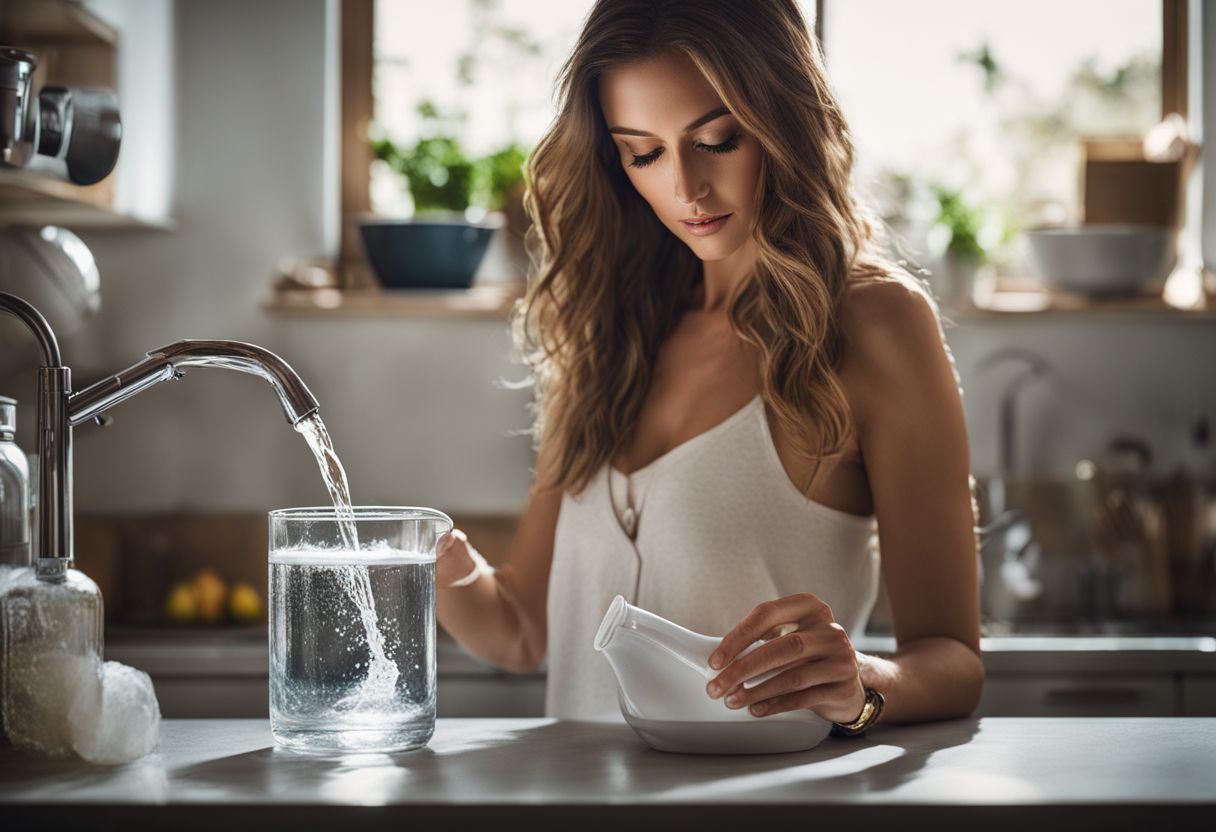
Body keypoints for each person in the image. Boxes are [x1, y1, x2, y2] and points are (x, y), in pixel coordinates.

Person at [435, 0, 983, 729]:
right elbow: (520, 631)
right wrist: (432, 564)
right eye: (644, 152)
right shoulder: (608, 329)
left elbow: (952, 659)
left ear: (782, 118)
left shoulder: (874, 324)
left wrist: (861, 684)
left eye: (718, 140)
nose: (685, 188)